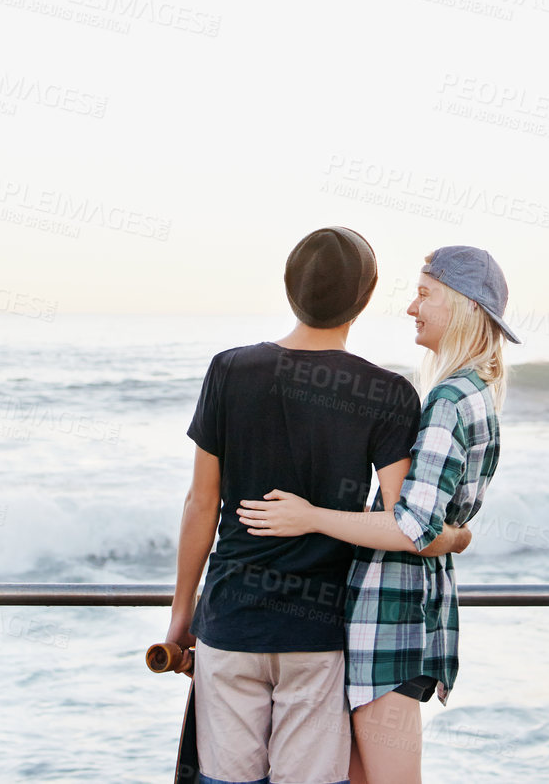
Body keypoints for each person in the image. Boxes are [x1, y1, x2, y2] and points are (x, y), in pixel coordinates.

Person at [165, 227, 473, 784]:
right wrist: (453, 535)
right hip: (319, 635)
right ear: (364, 300)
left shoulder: (229, 370)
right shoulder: (388, 393)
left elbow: (200, 504)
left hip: (231, 622)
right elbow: (401, 521)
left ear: (289, 288)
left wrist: (180, 617)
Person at [238, 245, 516, 784]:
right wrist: (456, 537)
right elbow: (438, 527)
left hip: (388, 618)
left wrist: (310, 516)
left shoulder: (448, 399)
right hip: (414, 610)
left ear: (461, 306)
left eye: (424, 295)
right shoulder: (478, 392)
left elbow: (412, 527)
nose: (412, 308)